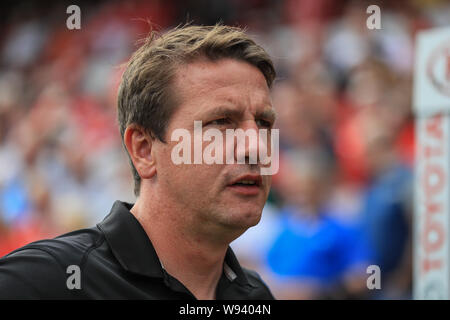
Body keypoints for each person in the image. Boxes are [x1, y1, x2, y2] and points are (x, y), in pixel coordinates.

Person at [0, 24, 277, 300]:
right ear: (144, 150)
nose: (257, 146)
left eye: (264, 123)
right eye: (221, 122)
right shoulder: (45, 282)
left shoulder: (255, 296)